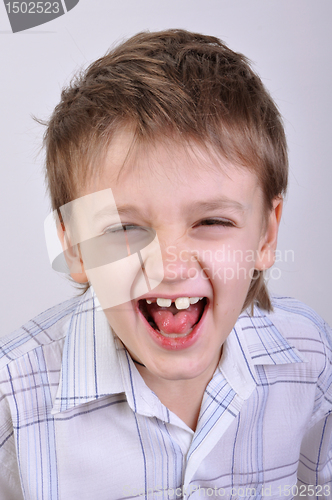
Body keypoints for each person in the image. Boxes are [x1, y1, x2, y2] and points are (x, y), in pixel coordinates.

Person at [0, 29, 331, 500]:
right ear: (74, 249)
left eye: (212, 221)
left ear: (266, 235)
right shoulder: (12, 404)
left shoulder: (311, 358)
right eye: (124, 228)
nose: (170, 266)